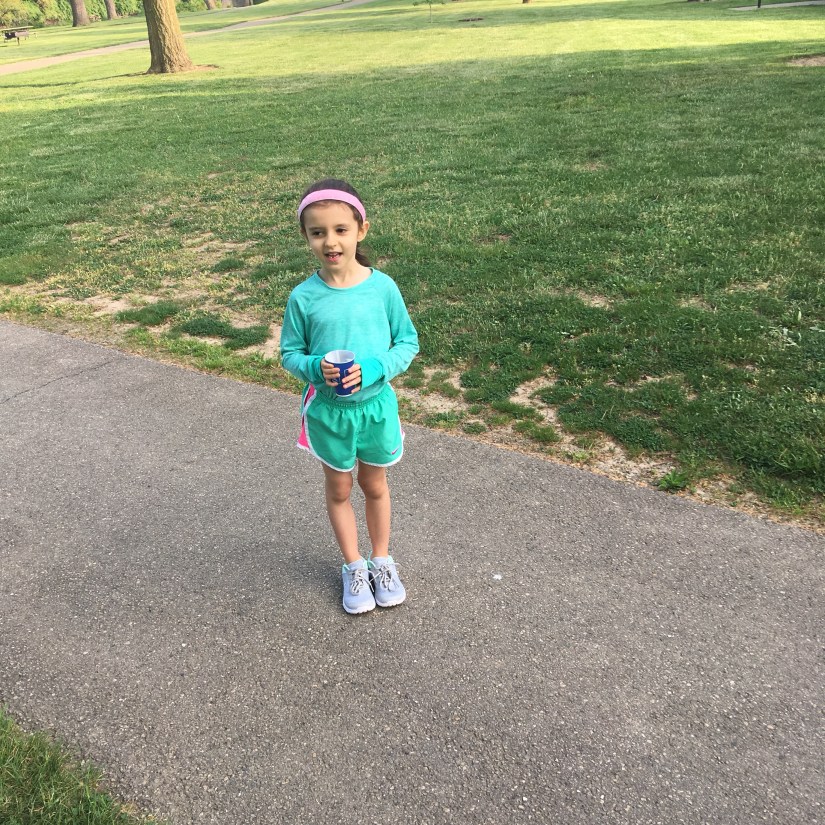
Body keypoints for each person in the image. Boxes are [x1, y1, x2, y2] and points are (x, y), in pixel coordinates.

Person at [280, 178, 419, 615]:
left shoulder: (383, 288)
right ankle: (354, 565)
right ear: (305, 237)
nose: (330, 241)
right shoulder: (303, 297)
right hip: (330, 414)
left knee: (374, 484)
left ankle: (382, 560)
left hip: (376, 409)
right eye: (317, 232)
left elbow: (407, 342)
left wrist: (375, 368)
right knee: (339, 487)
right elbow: (289, 353)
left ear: (362, 230)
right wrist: (314, 367)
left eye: (341, 229)